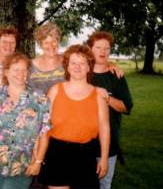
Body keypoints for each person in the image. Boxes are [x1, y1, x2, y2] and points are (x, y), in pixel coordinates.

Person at [0, 52, 51, 189]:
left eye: (24, 70)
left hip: (21, 166)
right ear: (6, 72)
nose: (20, 74)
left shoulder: (39, 99)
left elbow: (44, 133)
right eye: (16, 70)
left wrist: (38, 161)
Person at [38, 44, 110, 189]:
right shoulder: (55, 91)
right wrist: (38, 155)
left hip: (86, 155)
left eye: (82, 63)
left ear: (89, 67)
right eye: (73, 63)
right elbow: (43, 125)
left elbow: (104, 128)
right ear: (67, 66)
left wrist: (104, 158)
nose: (78, 67)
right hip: (57, 154)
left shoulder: (99, 95)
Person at [87, 31, 133, 189]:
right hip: (82, 143)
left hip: (108, 143)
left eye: (106, 48)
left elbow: (126, 107)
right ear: (90, 49)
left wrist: (107, 99)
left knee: (104, 184)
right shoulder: (81, 73)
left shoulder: (116, 75)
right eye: (98, 47)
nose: (102, 51)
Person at [28, 22, 65, 94]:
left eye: (53, 41)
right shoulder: (30, 66)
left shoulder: (68, 62)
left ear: (58, 41)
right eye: (46, 43)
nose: (50, 46)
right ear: (40, 45)